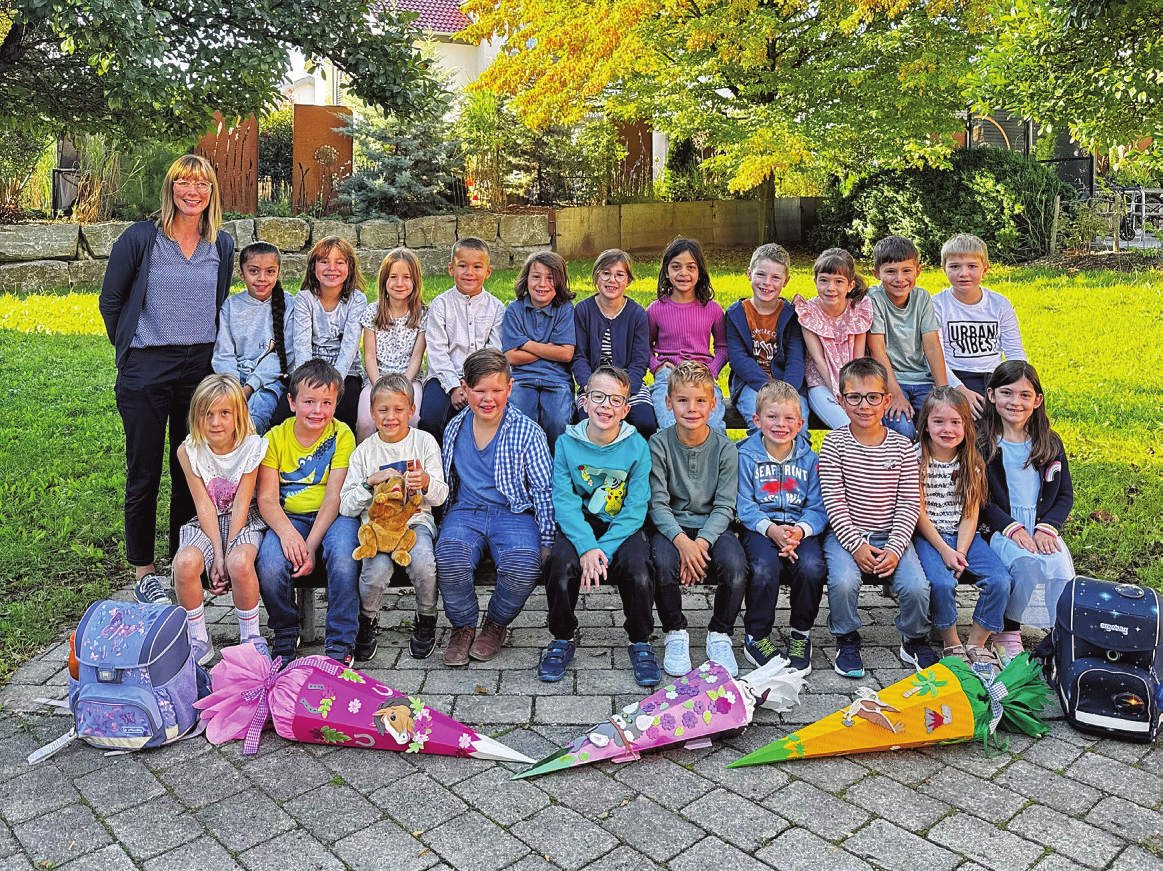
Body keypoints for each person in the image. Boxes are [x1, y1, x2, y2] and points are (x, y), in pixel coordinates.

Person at [99, 154, 235, 605]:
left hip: (198, 368)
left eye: (201, 183)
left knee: (189, 467)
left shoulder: (223, 244)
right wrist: (130, 353)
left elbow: (216, 303)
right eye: (183, 182)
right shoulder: (142, 238)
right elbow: (111, 301)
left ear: (212, 191)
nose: (191, 191)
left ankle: (183, 561)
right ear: (170, 188)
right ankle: (144, 570)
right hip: (146, 366)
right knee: (144, 471)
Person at [435, 349, 554, 666]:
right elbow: (449, 481)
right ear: (464, 388)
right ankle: (463, 625)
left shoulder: (528, 432)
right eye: (479, 390)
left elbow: (543, 490)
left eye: (497, 390)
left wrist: (546, 540)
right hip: (467, 511)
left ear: (510, 388)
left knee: (522, 566)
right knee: (449, 558)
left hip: (513, 513)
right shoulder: (454, 429)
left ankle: (496, 623)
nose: (488, 399)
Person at [540, 366, 657, 685]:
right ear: (585, 402)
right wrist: (586, 545)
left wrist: (600, 550)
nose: (606, 405)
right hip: (579, 524)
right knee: (560, 565)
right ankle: (562, 636)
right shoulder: (566, 443)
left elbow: (635, 509)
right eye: (598, 397)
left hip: (622, 526)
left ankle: (640, 640)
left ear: (626, 409)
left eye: (615, 400)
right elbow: (563, 502)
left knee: (639, 570)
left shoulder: (637, 447)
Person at [819, 357, 935, 677]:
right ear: (841, 400)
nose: (864, 405)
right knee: (843, 582)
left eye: (873, 397)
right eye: (854, 397)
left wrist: (897, 547)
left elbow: (910, 502)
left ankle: (913, 639)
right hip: (846, 537)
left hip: (891, 535)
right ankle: (847, 638)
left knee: (915, 586)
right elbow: (834, 501)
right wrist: (856, 545)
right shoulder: (834, 444)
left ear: (886, 400)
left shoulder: (900, 446)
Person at [256, 360, 361, 665]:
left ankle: (341, 642)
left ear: (336, 403)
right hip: (288, 518)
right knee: (270, 563)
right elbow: (266, 498)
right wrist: (289, 535)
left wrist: (310, 548)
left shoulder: (342, 436)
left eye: (326, 403)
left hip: (335, 516)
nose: (318, 411)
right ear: (291, 402)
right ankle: (287, 631)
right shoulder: (274, 438)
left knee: (344, 559)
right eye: (309, 402)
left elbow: (333, 497)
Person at [648, 361, 747, 676]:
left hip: (712, 528)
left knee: (735, 567)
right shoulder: (659, 444)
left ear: (713, 404)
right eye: (682, 400)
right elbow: (658, 504)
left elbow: (725, 506)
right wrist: (682, 543)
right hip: (671, 527)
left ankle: (719, 633)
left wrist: (700, 544)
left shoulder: (725, 449)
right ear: (668, 403)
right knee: (662, 564)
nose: (692, 408)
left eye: (700, 401)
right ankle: (675, 630)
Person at [341, 373, 447, 661]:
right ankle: (367, 620)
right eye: (383, 410)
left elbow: (440, 496)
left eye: (399, 410)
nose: (391, 417)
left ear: (411, 411)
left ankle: (426, 618)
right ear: (372, 412)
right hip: (376, 529)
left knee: (424, 562)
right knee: (375, 572)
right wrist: (368, 483)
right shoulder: (364, 452)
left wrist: (425, 482)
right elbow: (346, 506)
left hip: (415, 524)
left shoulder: (424, 443)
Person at [978, 360, 1074, 657]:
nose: (1015, 402)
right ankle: (1008, 628)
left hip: (1042, 526)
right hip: (1002, 528)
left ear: (1037, 400)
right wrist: (1013, 528)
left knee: (1060, 567)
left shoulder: (1049, 443)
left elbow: (1065, 495)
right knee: (1026, 566)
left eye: (1024, 395)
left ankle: (1062, 631)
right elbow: (981, 499)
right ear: (992, 395)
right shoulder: (983, 443)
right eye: (1007, 393)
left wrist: (1048, 528)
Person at [172, 374, 269, 664]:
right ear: (196, 416)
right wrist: (215, 553)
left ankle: (250, 637)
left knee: (239, 562)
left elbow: (241, 502)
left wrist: (226, 555)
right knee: (185, 563)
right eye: (208, 414)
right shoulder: (188, 451)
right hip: (207, 520)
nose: (216, 422)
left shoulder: (252, 447)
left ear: (238, 415)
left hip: (244, 519)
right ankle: (198, 638)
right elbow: (203, 504)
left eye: (224, 413)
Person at [735, 381, 828, 673]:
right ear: (757, 420)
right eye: (772, 417)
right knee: (764, 568)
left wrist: (799, 531)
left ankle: (800, 633)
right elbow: (743, 503)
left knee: (812, 568)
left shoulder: (811, 460)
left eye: (789, 418)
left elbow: (818, 505)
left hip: (800, 529)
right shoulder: (745, 456)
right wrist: (770, 529)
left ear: (801, 423)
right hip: (760, 528)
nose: (780, 424)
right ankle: (756, 636)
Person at [914, 386, 1010, 668]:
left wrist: (961, 550)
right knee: (941, 583)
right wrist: (945, 551)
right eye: (939, 422)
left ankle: (977, 642)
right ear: (926, 425)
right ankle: (951, 641)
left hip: (965, 536)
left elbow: (971, 513)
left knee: (1000, 580)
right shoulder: (916, 458)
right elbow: (917, 513)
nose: (948, 429)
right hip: (928, 537)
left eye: (956, 422)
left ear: (967, 426)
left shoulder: (972, 461)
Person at [420, 238, 505, 444]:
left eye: (477, 267)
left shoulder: (496, 308)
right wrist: (454, 387)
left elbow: (494, 352)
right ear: (451, 269)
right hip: (443, 378)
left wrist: (475, 387)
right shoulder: (440, 305)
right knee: (431, 419)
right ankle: (437, 467)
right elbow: (437, 352)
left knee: (495, 417)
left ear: (488, 271)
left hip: (483, 380)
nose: (469, 272)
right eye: (462, 266)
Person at [933, 234, 1026, 418]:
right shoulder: (936, 305)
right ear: (944, 269)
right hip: (956, 376)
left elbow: (1015, 352)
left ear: (985, 270)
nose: (963, 273)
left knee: (1020, 420)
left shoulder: (999, 304)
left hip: (996, 377)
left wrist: (1019, 385)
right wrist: (960, 389)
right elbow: (935, 357)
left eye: (972, 266)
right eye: (955, 266)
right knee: (970, 425)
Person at [866, 236, 948, 440]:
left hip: (923, 380)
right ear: (876, 273)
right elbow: (877, 350)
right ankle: (905, 470)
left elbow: (932, 347)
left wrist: (944, 393)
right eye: (891, 271)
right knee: (904, 430)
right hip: (890, 382)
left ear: (918, 270)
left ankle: (934, 470)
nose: (900, 279)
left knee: (942, 423)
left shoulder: (922, 298)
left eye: (906, 270)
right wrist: (895, 395)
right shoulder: (873, 299)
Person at [572, 249, 657, 437]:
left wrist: (623, 392)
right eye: (606, 273)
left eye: (620, 275)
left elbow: (639, 361)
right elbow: (579, 357)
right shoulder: (583, 311)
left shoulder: (637, 314)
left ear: (628, 280)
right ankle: (592, 465)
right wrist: (590, 386)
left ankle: (637, 464)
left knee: (645, 422)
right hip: (592, 384)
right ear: (596, 276)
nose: (612, 280)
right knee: (585, 421)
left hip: (628, 385)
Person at [212, 241, 294, 435]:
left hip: (268, 381)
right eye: (254, 271)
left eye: (270, 271)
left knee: (251, 424)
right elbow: (224, 353)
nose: (262, 279)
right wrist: (233, 386)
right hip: (231, 379)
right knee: (215, 419)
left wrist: (249, 388)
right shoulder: (231, 306)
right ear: (241, 273)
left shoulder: (289, 304)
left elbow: (284, 356)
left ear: (278, 273)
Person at [647, 238, 728, 430]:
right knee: (669, 425)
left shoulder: (713, 309)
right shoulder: (655, 309)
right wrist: (656, 366)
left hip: (702, 375)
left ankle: (715, 459)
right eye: (676, 267)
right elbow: (643, 346)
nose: (683, 273)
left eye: (691, 267)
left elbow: (723, 347)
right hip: (668, 375)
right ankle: (671, 458)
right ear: (667, 272)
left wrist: (712, 369)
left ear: (700, 272)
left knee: (714, 426)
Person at [724, 243, 806, 432]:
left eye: (775, 277)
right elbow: (738, 359)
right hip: (750, 384)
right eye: (761, 274)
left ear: (785, 281)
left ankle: (796, 461)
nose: (767, 282)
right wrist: (768, 389)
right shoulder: (736, 314)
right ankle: (760, 461)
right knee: (761, 423)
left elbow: (795, 359)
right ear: (749, 273)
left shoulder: (792, 316)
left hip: (789, 385)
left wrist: (787, 392)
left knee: (799, 425)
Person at [290, 236, 367, 435]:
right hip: (310, 370)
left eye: (339, 262)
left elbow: (350, 347)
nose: (331, 268)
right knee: (285, 415)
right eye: (324, 261)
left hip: (345, 373)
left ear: (349, 267)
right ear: (313, 266)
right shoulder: (305, 299)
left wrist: (333, 385)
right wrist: (309, 383)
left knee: (346, 414)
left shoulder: (357, 299)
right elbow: (302, 346)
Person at [502, 251, 577, 451]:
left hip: (557, 379)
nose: (542, 284)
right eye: (536, 277)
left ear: (560, 282)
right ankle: (525, 469)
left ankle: (556, 469)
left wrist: (526, 343)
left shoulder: (565, 309)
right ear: (526, 279)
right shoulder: (514, 310)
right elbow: (511, 357)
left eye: (550, 278)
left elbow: (566, 354)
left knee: (558, 421)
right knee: (521, 419)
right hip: (522, 379)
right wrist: (550, 347)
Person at [793, 248, 874, 430]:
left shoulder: (858, 309)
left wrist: (853, 394)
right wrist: (839, 393)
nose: (830, 288)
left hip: (855, 383)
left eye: (839, 282)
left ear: (850, 285)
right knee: (847, 426)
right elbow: (819, 359)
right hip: (822, 383)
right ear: (815, 282)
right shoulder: (809, 312)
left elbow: (858, 359)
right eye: (824, 281)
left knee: (870, 425)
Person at [357, 248, 428, 441]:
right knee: (365, 421)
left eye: (406, 277)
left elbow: (417, 357)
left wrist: (402, 386)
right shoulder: (372, 312)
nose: (399, 283)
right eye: (393, 277)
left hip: (409, 379)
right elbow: (369, 357)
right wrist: (380, 386)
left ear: (415, 281)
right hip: (376, 379)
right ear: (384, 280)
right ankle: (364, 463)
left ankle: (406, 460)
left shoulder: (422, 314)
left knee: (412, 419)